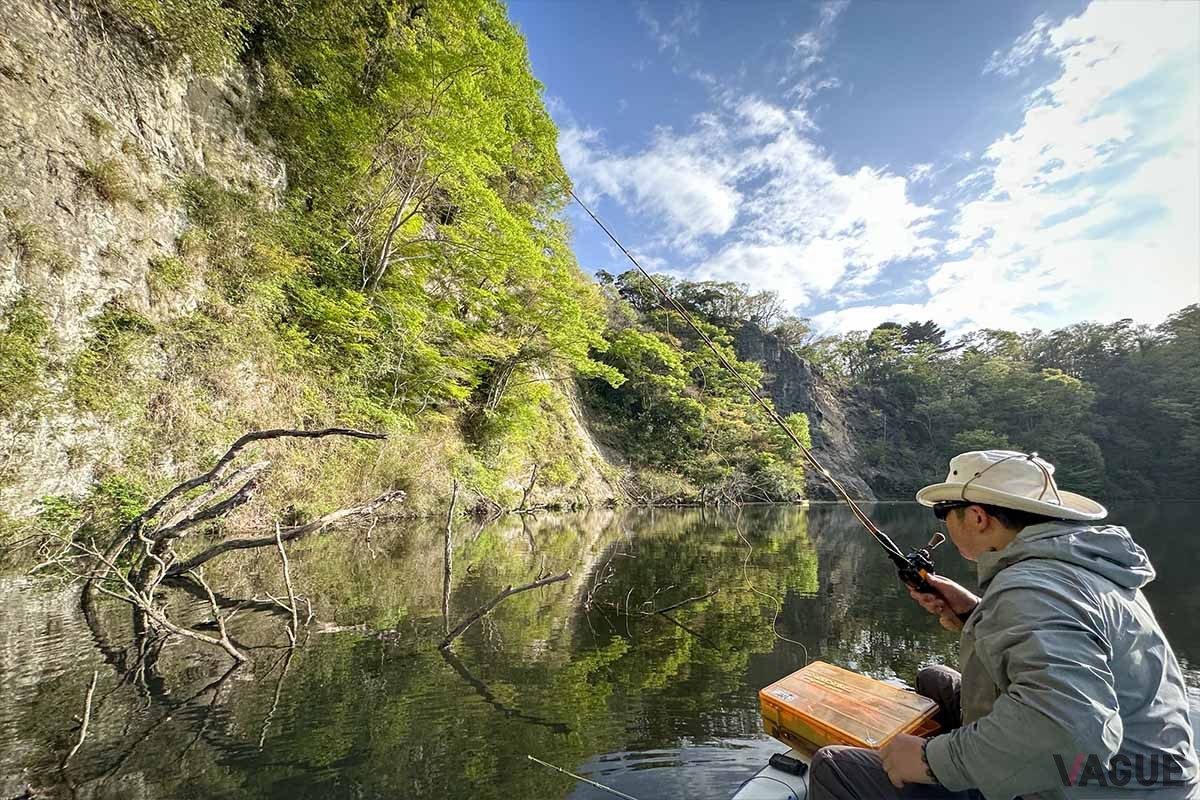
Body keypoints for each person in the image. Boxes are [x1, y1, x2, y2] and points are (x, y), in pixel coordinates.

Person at [810, 449, 1198, 800]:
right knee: (934, 680)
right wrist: (974, 612)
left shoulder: (1031, 590)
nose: (944, 524)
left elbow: (1072, 731)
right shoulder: (1083, 566)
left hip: (1092, 786)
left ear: (977, 517)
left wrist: (933, 761)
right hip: (1145, 773)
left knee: (834, 767)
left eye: (943, 513)